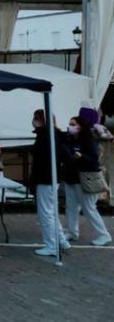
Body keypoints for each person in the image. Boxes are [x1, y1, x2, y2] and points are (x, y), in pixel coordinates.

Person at [61, 116, 112, 246]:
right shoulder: (69, 140)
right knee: (71, 207)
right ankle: (72, 232)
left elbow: (93, 162)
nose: (70, 127)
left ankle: (104, 234)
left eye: (73, 124)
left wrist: (81, 157)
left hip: (86, 179)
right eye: (70, 124)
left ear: (81, 126)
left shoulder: (89, 142)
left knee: (89, 208)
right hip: (71, 177)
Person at [30, 110, 71, 257]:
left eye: (36, 119)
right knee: (51, 212)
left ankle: (52, 245)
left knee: (46, 214)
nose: (33, 121)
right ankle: (60, 241)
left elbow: (44, 158)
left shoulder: (46, 136)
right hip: (51, 178)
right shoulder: (55, 135)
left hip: (45, 178)